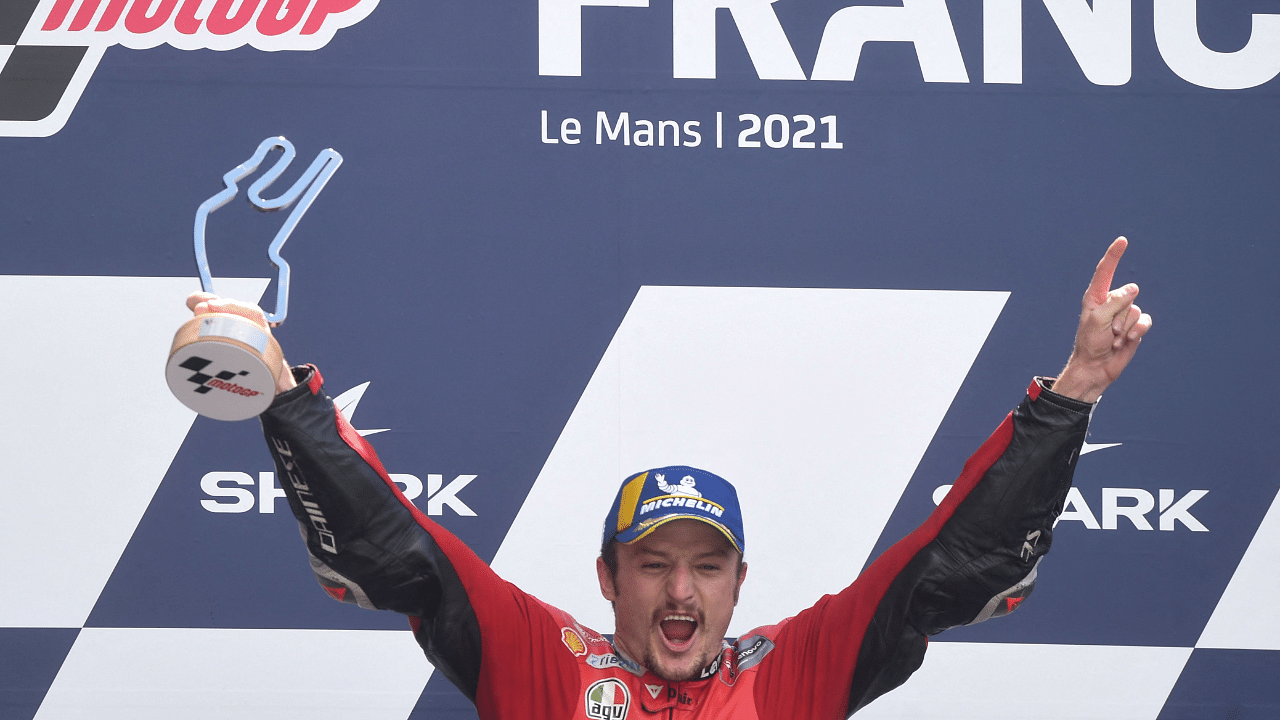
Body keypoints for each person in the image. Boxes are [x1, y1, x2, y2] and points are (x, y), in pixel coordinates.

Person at [186, 238, 1151, 719]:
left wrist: (1069, 397)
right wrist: (284, 400)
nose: (681, 590)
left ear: (740, 581)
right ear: (609, 579)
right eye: (653, 564)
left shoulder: (791, 673)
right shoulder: (547, 660)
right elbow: (404, 554)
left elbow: (949, 568)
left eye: (706, 565)